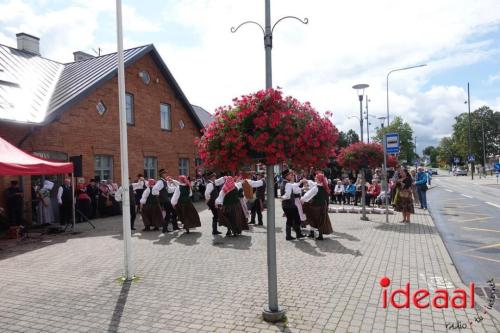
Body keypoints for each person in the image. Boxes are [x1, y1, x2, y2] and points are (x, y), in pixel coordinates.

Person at [301, 173, 333, 240]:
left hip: (316, 206)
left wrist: (302, 199)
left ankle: (313, 234)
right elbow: (312, 183)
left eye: (316, 177)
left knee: (311, 218)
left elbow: (307, 195)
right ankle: (318, 235)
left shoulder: (316, 188)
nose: (315, 178)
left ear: (318, 179)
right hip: (323, 205)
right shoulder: (325, 186)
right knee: (320, 220)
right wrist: (307, 181)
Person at [280, 169, 305, 240]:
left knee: (289, 220)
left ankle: (288, 236)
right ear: (286, 176)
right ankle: (298, 234)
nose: (292, 176)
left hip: (285, 205)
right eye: (290, 175)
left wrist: (300, 183)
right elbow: (287, 195)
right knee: (297, 219)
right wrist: (283, 197)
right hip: (290, 205)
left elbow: (294, 186)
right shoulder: (287, 184)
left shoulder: (283, 183)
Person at [153, 169, 179, 233]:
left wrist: (177, 188)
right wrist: (159, 195)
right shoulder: (160, 182)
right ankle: (166, 228)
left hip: (166, 200)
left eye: (165, 173)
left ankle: (173, 227)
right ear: (161, 174)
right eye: (164, 173)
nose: (165, 174)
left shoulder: (164, 181)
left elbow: (169, 190)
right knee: (169, 213)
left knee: (172, 212)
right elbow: (154, 189)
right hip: (164, 200)